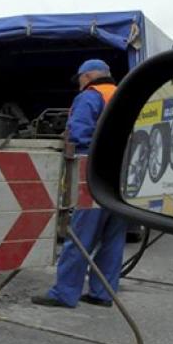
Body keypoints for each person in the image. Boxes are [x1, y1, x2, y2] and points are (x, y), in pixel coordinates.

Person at [33, 59, 125, 308]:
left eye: (80, 80)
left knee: (79, 235)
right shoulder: (126, 94)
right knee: (113, 238)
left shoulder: (89, 97)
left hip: (94, 175)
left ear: (87, 77)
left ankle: (64, 293)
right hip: (125, 178)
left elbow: (79, 135)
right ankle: (103, 294)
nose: (80, 85)